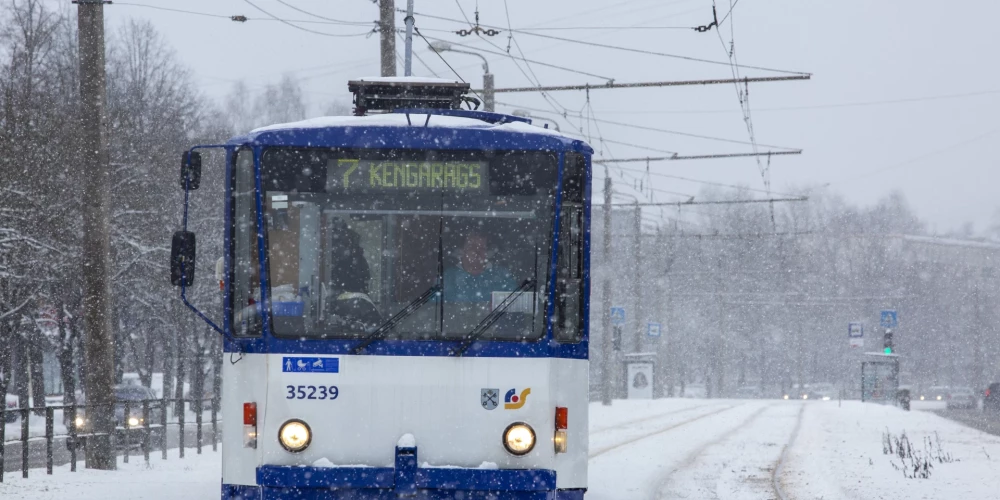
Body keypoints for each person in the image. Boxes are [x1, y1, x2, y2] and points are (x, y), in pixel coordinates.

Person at [326, 221, 381, 330]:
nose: (339, 248)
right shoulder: (338, 264)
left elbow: (364, 278)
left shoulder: (353, 262)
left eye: (344, 244)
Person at [443, 231, 515, 303]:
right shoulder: (448, 277)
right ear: (461, 251)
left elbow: (516, 305)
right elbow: (434, 308)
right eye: (472, 247)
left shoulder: (502, 275)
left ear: (488, 252)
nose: (477, 251)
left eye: (482, 248)